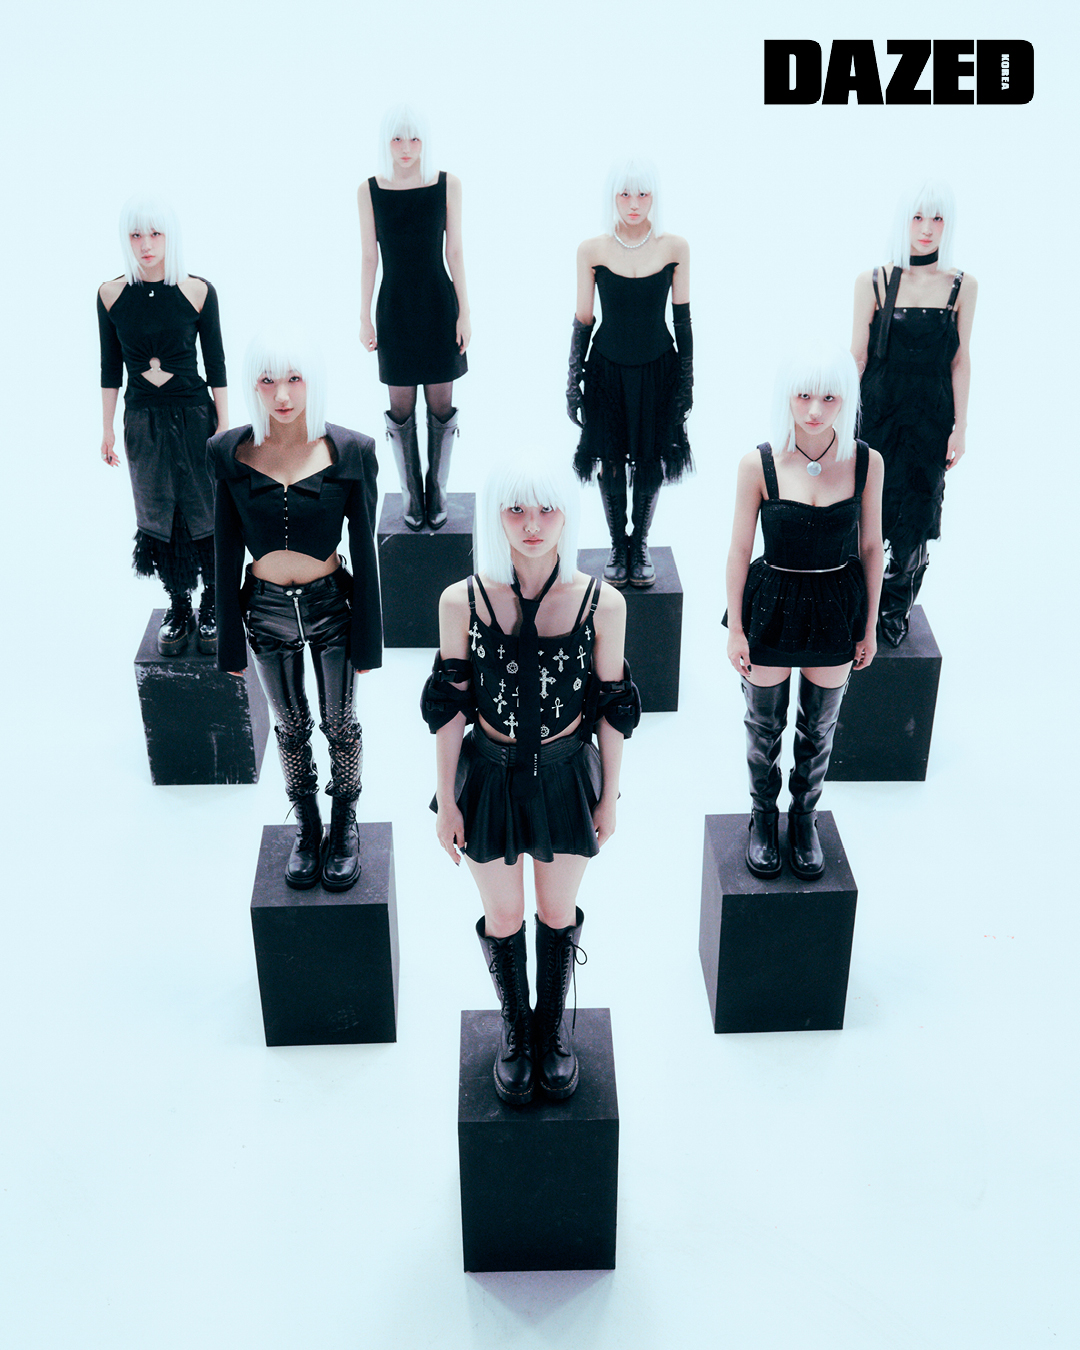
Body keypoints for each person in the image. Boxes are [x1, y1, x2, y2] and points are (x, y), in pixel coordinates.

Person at [422, 461, 639, 1104]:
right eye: (516, 509)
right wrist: (446, 801)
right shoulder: (461, 601)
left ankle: (551, 1030)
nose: (533, 525)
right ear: (496, 516)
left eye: (546, 509)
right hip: (488, 775)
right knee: (504, 913)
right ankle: (517, 1029)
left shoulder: (603, 603)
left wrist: (609, 797)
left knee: (556, 911)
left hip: (566, 772)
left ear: (568, 514)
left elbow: (613, 709)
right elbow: (448, 709)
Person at [211, 336, 381, 892]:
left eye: (294, 379)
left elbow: (366, 550)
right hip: (264, 610)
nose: (282, 395)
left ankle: (345, 825)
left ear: (313, 380)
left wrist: (369, 640)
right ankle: (308, 827)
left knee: (340, 724)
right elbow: (224, 550)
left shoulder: (351, 450)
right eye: (267, 381)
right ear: (253, 386)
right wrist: (228, 642)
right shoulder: (229, 452)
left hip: (332, 605)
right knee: (289, 727)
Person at [724, 346, 884, 880]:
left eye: (829, 397)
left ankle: (804, 817)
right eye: (804, 395)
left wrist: (870, 626)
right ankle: (763, 816)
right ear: (787, 397)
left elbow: (871, 548)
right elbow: (738, 550)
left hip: (836, 605)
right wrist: (736, 629)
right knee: (763, 726)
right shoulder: (759, 463)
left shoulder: (866, 462)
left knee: (819, 730)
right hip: (773, 603)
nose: (815, 410)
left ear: (846, 399)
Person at [98, 195, 228, 654]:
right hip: (143, 422)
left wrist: (224, 427)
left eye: (155, 233)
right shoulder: (111, 295)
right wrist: (107, 429)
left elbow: (216, 363)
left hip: (195, 419)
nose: (146, 244)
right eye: (136, 235)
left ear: (170, 236)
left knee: (204, 509)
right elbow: (110, 367)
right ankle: (179, 604)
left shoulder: (197, 291)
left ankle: (213, 602)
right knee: (159, 513)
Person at [851, 180, 977, 645]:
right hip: (878, 412)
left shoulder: (962, 286)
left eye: (937, 218)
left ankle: (894, 608)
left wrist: (961, 427)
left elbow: (960, 360)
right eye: (918, 217)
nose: (927, 228)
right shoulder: (875, 280)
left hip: (930, 417)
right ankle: (858, 605)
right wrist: (839, 420)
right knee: (866, 510)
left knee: (917, 517)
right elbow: (857, 356)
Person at [567, 158, 692, 588]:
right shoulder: (592, 250)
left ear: (654, 197)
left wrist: (687, 380)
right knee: (611, 460)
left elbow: (683, 321)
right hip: (606, 370)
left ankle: (640, 544)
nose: (634, 203)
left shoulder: (674, 248)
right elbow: (583, 319)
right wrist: (572, 382)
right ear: (613, 197)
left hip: (658, 369)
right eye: (625, 194)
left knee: (650, 458)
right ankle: (617, 546)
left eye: (642, 194)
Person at [357, 105, 470, 531]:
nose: (406, 148)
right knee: (400, 408)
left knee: (441, 406)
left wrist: (465, 312)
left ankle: (436, 491)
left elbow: (455, 251)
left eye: (415, 138)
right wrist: (364, 317)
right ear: (386, 142)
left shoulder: (447, 184)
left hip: (439, 305)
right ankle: (411, 494)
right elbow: (369, 257)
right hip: (395, 308)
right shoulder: (369, 190)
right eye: (397, 139)